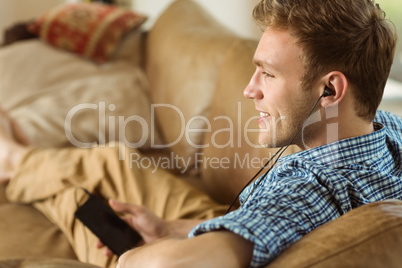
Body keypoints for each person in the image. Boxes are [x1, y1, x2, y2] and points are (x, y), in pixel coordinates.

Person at [0, 0, 401, 267]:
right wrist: (170, 230)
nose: (250, 89)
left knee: (77, 197)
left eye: (268, 73)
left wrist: (138, 256)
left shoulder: (312, 189)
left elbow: (174, 265)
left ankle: (12, 160)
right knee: (113, 159)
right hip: (228, 222)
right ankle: (17, 159)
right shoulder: (387, 129)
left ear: (329, 90)